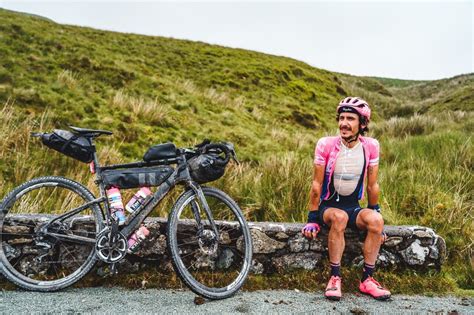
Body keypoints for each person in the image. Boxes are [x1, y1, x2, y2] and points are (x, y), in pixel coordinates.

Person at [301, 97, 391, 301]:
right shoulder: (326, 144)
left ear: (363, 123)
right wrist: (312, 218)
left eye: (350, 118)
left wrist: (374, 212)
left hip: (353, 208)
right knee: (339, 217)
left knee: (376, 221)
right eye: (341, 117)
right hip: (329, 208)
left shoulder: (371, 146)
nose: (344, 123)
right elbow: (316, 185)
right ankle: (334, 278)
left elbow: (372, 185)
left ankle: (367, 280)